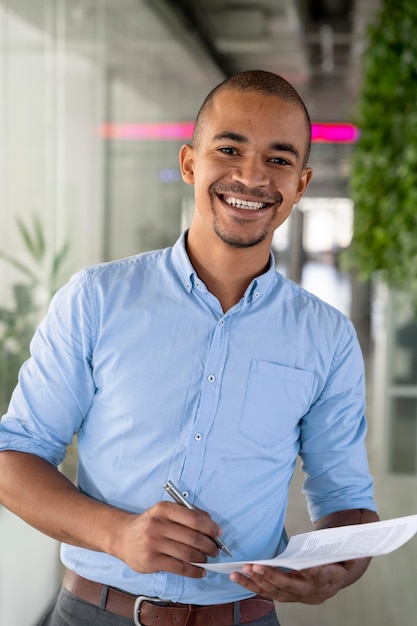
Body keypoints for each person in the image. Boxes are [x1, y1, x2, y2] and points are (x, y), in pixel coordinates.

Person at [0, 70, 378, 626]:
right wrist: (118, 534)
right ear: (190, 163)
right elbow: (15, 457)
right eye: (230, 149)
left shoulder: (327, 336)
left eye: (279, 159)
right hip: (92, 613)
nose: (252, 176)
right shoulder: (97, 299)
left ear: (300, 184)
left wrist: (338, 568)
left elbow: (346, 497)